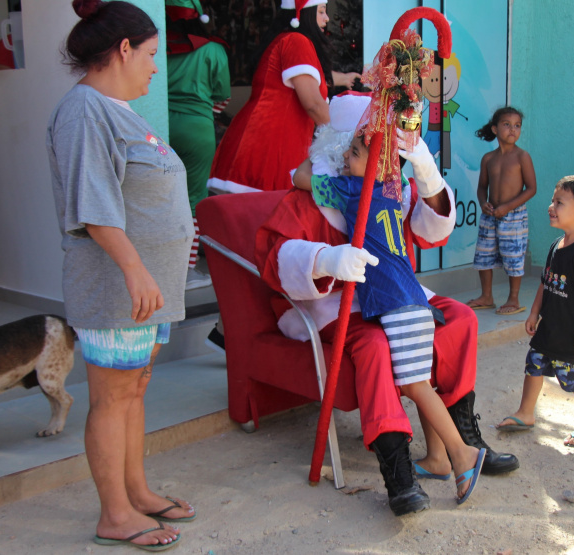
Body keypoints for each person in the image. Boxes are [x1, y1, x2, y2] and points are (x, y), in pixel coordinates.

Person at [254, 93, 519, 517]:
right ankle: (397, 466)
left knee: (461, 320)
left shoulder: (387, 189)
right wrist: (326, 259)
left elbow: (432, 230)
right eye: (364, 143)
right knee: (376, 348)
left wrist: (425, 167)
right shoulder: (313, 194)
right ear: (341, 147)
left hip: (395, 294)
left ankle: (462, 441)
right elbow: (275, 255)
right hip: (335, 303)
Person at [48, 0, 195, 549]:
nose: (156, 68)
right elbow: (93, 204)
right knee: (112, 397)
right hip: (117, 287)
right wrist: (134, 268)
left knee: (134, 389)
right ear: (124, 49)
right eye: (152, 55)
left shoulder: (118, 109)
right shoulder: (85, 110)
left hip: (146, 290)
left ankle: (137, 492)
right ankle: (114, 514)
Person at [292, 125, 486, 507]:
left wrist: (320, 153)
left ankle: (463, 454)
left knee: (415, 386)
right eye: (346, 152)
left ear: (378, 166)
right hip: (411, 298)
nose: (346, 158)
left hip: (396, 304)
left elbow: (300, 178)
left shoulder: (355, 191)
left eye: (354, 154)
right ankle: (437, 458)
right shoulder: (393, 191)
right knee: (421, 377)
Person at [496, 175, 574, 447]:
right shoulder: (556, 246)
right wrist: (535, 312)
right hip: (550, 328)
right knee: (533, 364)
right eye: (552, 200)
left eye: (559, 202)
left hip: (572, 334)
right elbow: (546, 283)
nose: (551, 206)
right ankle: (526, 413)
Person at [206, 0, 359, 195]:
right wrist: (348, 138)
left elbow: (312, 78)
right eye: (321, 12)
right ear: (304, 14)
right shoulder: (297, 41)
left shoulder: (288, 40)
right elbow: (313, 104)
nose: (326, 18)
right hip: (269, 149)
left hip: (263, 145)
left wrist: (344, 78)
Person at [164, 0, 231, 290]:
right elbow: (222, 96)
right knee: (193, 201)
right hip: (197, 132)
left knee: (160, 197)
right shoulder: (213, 50)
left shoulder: (153, 49)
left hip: (159, 130)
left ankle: (162, 266)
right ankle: (186, 270)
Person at [466, 107, 537, 315]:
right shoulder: (488, 159)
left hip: (514, 216)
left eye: (517, 126)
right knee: (484, 256)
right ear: (495, 129)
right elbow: (482, 187)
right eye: (507, 125)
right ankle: (486, 296)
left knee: (513, 256)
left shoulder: (522, 157)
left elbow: (532, 188)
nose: (513, 130)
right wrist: (482, 203)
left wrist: (507, 207)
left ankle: (513, 298)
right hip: (490, 215)